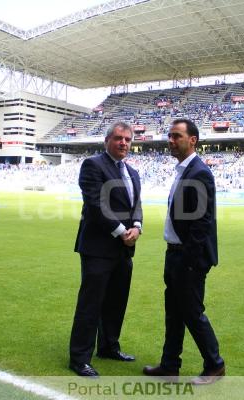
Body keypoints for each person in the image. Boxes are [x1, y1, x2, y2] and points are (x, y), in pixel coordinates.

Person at [143, 118, 225, 384]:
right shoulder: (183, 171)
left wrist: (188, 261)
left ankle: (215, 365)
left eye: (176, 136)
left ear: (192, 140)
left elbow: (202, 223)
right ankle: (169, 365)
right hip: (174, 254)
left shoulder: (199, 172)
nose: (171, 140)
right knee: (174, 312)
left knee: (191, 312)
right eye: (169, 135)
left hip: (188, 257)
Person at [69, 121, 143, 377]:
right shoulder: (93, 165)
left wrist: (137, 225)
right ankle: (79, 358)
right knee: (91, 304)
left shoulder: (132, 172)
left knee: (116, 302)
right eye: (119, 138)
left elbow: (137, 204)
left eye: (128, 140)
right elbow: (95, 204)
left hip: (123, 250)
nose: (124, 143)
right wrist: (123, 232)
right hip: (98, 248)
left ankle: (109, 346)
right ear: (107, 141)